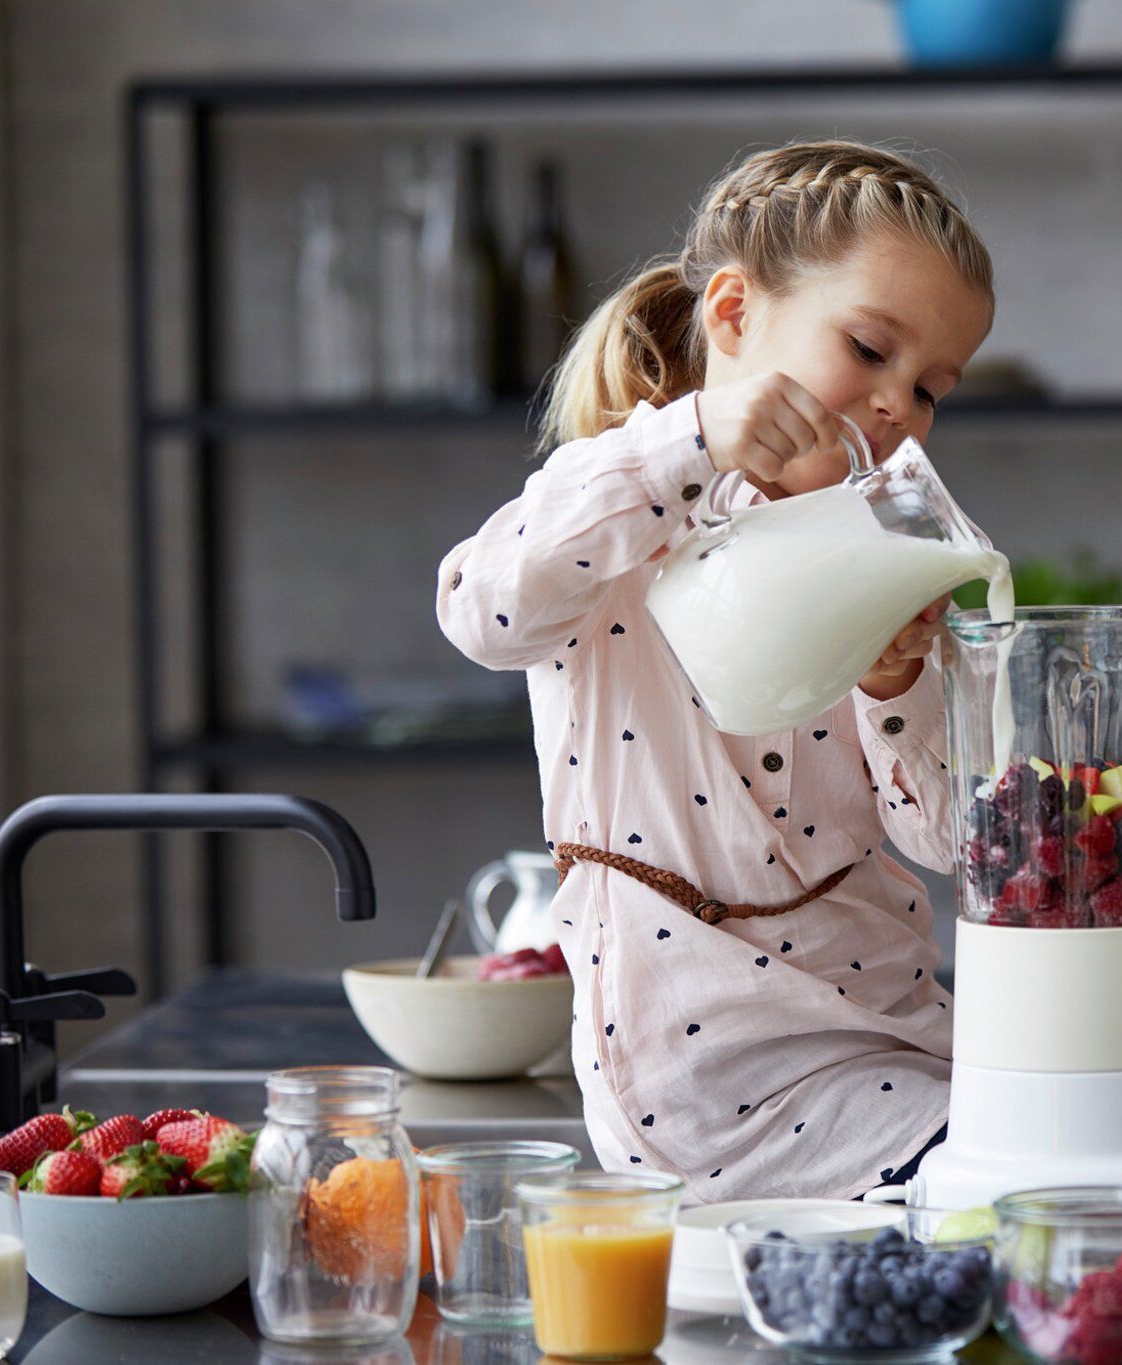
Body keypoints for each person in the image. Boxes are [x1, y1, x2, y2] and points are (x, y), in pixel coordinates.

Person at [437, 141, 995, 1200]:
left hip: (898, 1036)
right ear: (732, 316)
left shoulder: (881, 549)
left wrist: (892, 685)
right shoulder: (614, 509)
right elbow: (479, 608)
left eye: (929, 388)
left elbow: (953, 844)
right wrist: (683, 442)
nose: (896, 407)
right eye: (869, 348)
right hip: (705, 1080)